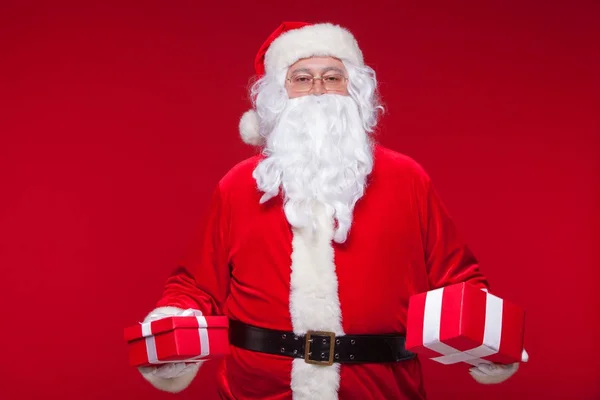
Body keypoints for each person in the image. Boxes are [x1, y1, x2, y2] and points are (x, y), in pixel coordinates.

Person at [137, 21, 526, 399]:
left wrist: (486, 337)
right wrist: (172, 327)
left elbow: (457, 276)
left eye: (332, 77)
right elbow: (195, 286)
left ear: (355, 90)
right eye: (302, 78)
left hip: (380, 389)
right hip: (259, 390)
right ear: (278, 96)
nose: (319, 89)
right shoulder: (238, 185)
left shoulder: (407, 178)